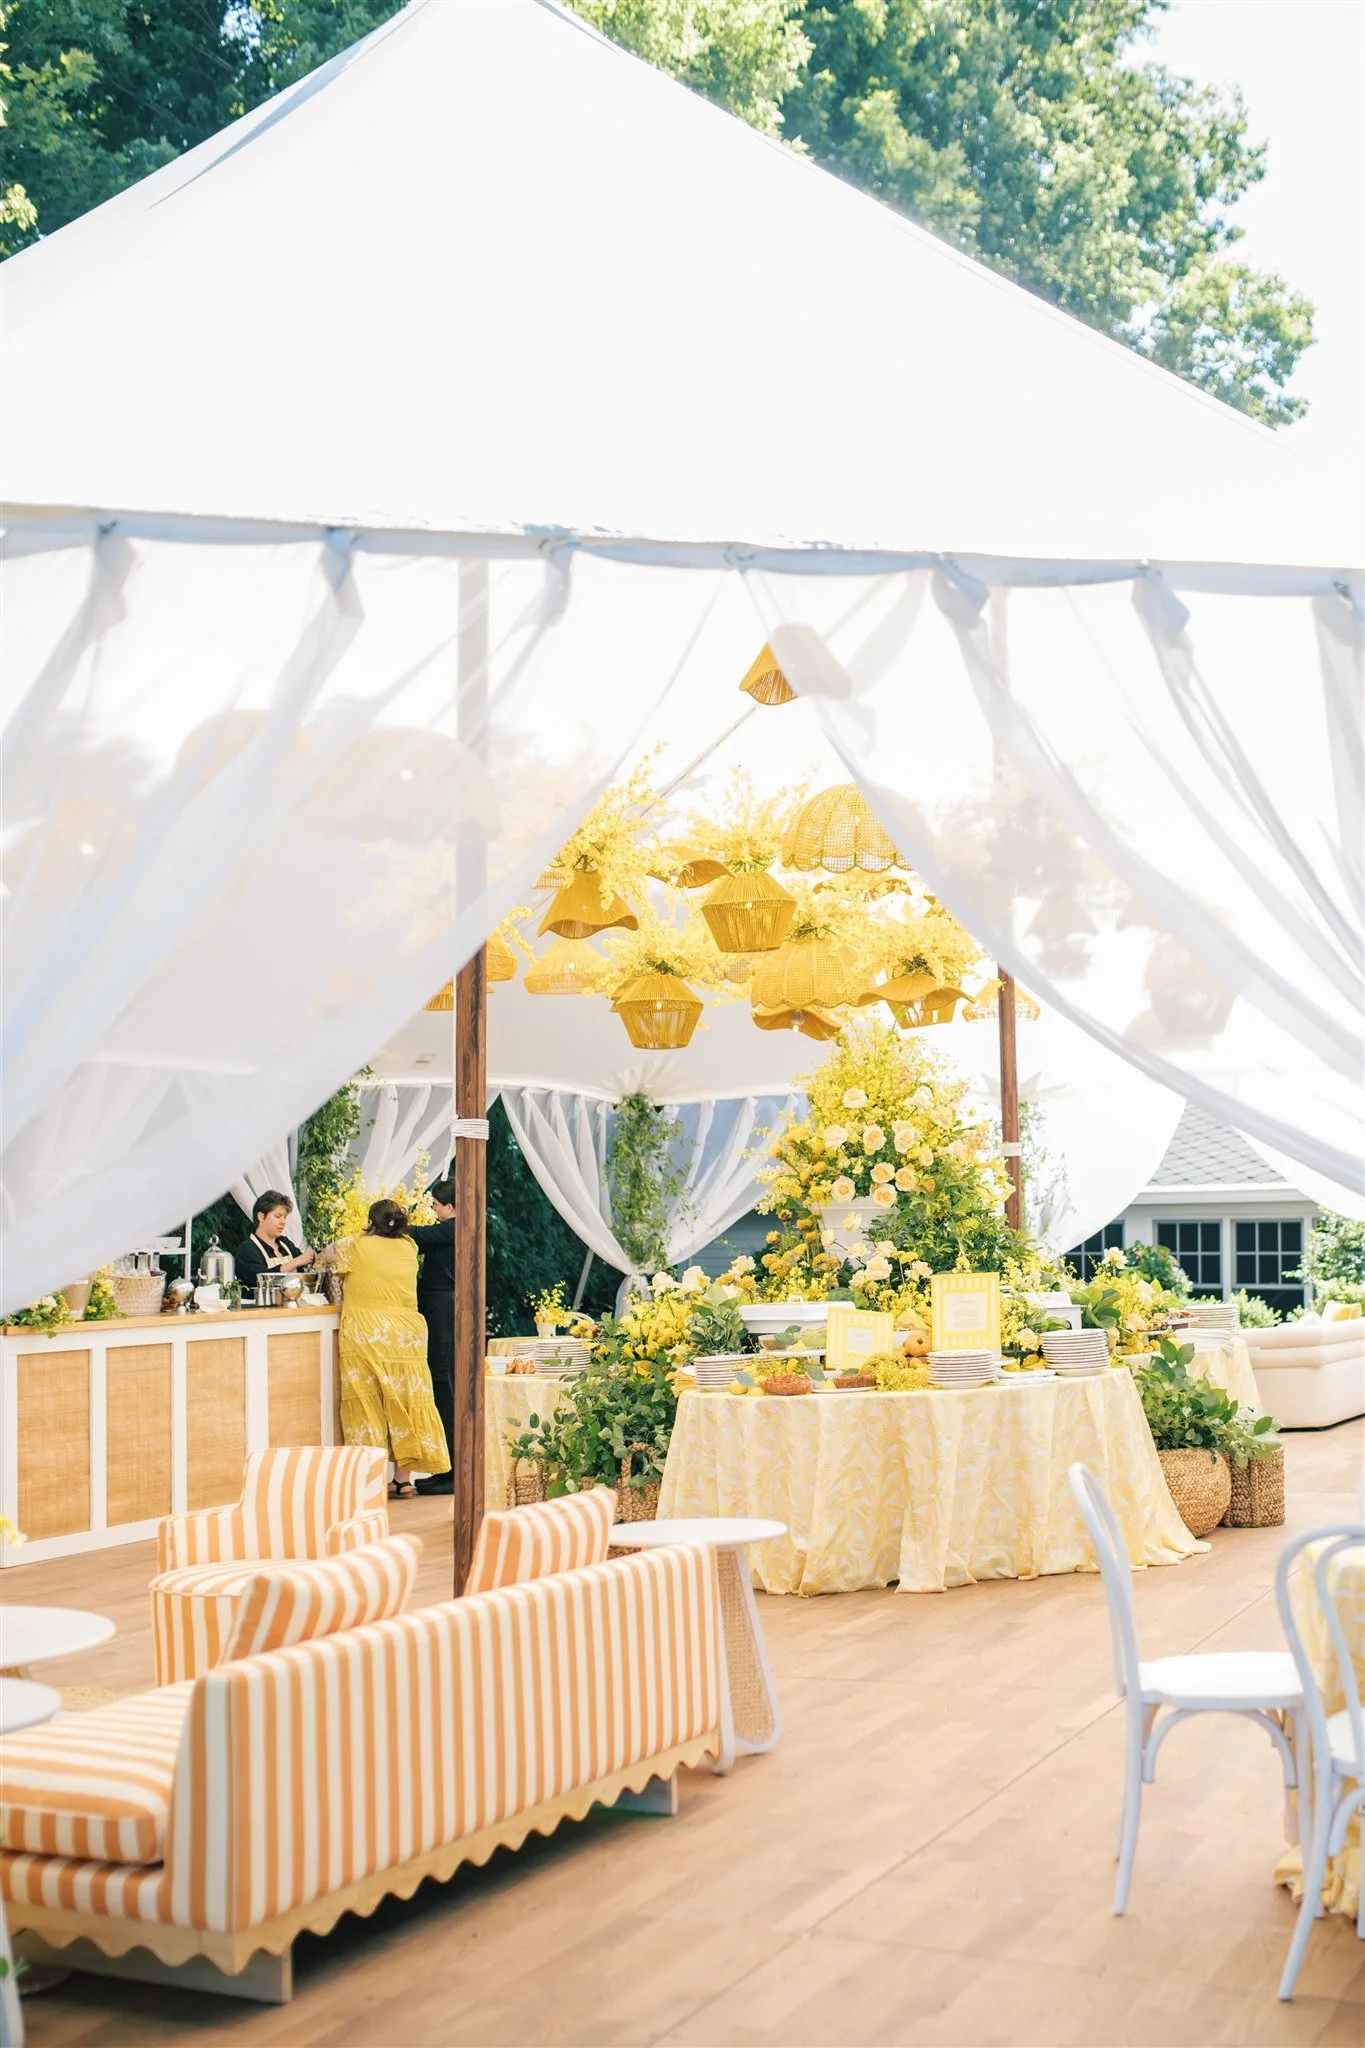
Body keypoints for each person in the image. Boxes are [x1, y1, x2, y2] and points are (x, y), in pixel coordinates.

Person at [319, 1199, 451, 1498]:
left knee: (369, 1405)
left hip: (367, 1331)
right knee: (406, 1402)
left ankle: (374, 1481)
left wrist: (362, 1233)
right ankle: (403, 1481)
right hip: (407, 1333)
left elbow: (326, 1255)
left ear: (371, 1222)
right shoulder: (408, 1247)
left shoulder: (355, 1245)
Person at [408, 1178, 457, 1497]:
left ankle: (451, 1470)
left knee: (443, 1382)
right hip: (441, 1308)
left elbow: (415, 1235)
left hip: (442, 1310)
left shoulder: (453, 1228)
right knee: (442, 1382)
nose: (434, 1212)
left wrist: (390, 1224)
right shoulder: (448, 1231)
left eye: (436, 1207)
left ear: (450, 1208)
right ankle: (446, 1467)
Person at [234, 1191, 315, 1293]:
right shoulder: (246, 1250)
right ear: (261, 1217)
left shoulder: (286, 1244)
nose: (283, 1221)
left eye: (285, 1217)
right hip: (260, 1308)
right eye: (278, 1216)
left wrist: (322, 1256)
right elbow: (262, 1279)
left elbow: (306, 1266)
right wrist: (296, 1262)